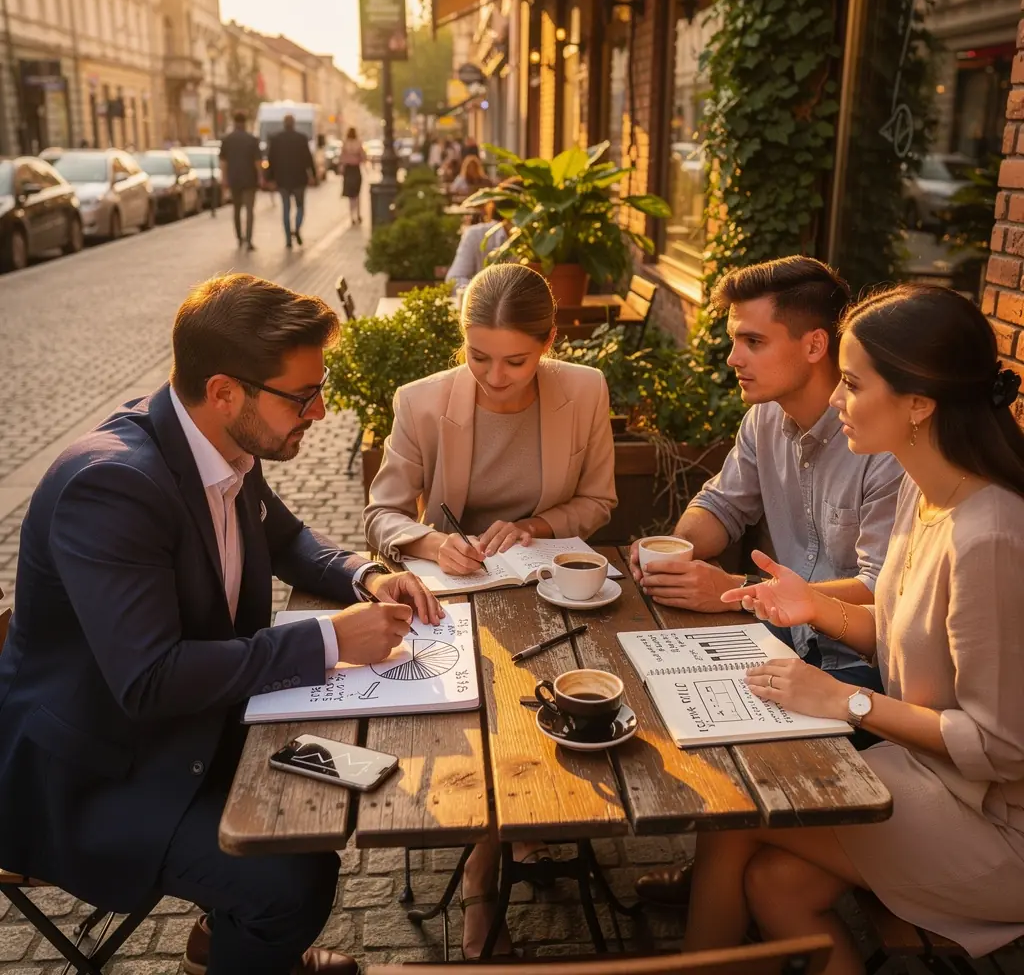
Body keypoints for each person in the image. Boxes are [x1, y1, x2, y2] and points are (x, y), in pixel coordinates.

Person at [0, 274, 441, 975]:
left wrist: (367, 574)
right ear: (225, 391)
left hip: (191, 726)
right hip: (98, 775)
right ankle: (250, 941)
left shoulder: (217, 443)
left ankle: (221, 945)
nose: (321, 411)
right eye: (302, 396)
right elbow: (148, 680)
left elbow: (287, 538)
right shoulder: (111, 486)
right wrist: (329, 638)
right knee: (295, 878)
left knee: (365, 777)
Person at [680, 284, 1024, 972]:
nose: (836, 399)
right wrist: (809, 603)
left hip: (996, 825)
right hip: (929, 779)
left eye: (854, 384)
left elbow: (1003, 747)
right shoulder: (923, 495)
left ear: (918, 406)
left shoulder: (990, 535)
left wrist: (845, 701)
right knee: (773, 882)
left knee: (736, 817)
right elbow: (896, 627)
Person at [630, 256, 903, 908]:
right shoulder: (763, 421)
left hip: (860, 671)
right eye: (733, 340)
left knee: (709, 724)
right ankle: (714, 875)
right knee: (653, 687)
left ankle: (720, 871)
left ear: (814, 346)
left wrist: (731, 591)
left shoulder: (883, 445)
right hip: (780, 638)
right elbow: (723, 504)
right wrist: (672, 549)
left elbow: (881, 594)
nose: (732, 359)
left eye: (751, 341)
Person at [364, 262, 618, 957]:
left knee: (570, 693)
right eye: (478, 356)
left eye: (516, 360)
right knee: (486, 706)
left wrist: (535, 526)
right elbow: (381, 513)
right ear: (461, 340)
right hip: (456, 598)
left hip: (550, 592)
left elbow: (599, 502)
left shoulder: (584, 389)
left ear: (550, 341)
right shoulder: (421, 401)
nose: (495, 376)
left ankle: (523, 826)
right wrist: (433, 540)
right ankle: (485, 873)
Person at [266, 114, 317, 249]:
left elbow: (271, 160)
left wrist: (270, 178)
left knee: (286, 209)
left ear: (284, 124)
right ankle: (297, 228)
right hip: (299, 179)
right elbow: (308, 159)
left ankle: (288, 239)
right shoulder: (301, 138)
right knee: (300, 207)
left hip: (282, 180)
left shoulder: (276, 140)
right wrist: (313, 175)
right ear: (294, 124)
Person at [219, 111, 262, 251]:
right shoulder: (252, 139)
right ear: (245, 123)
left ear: (234, 122)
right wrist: (261, 178)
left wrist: (224, 179)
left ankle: (239, 238)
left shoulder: (227, 140)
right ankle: (249, 240)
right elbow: (257, 162)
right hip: (250, 179)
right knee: (249, 211)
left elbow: (223, 162)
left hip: (234, 179)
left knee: (236, 210)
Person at [339, 127, 365, 226]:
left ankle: (351, 217)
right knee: (357, 194)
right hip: (356, 169)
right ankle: (358, 214)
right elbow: (363, 157)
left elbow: (341, 158)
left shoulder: (345, 144)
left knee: (350, 196)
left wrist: (342, 167)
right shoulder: (358, 143)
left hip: (348, 170)